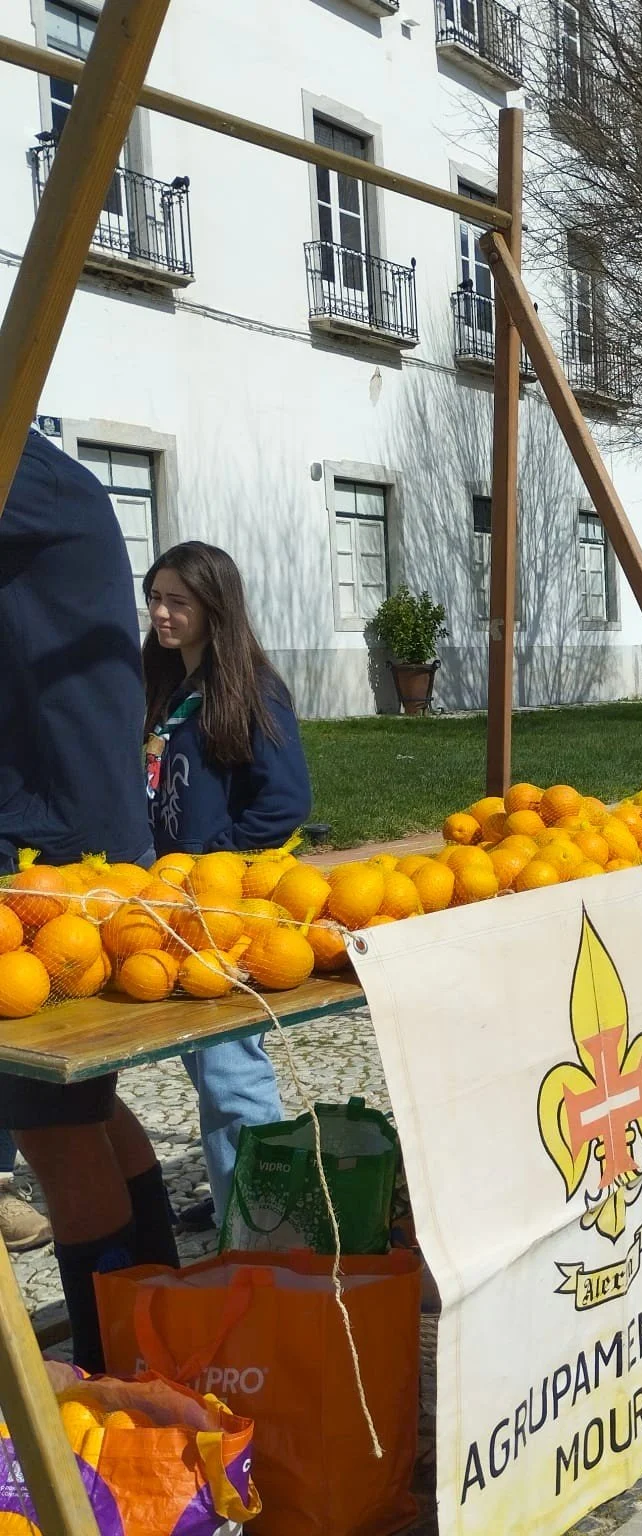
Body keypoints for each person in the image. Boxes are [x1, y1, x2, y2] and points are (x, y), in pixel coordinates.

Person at [0, 429, 180, 1370]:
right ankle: (159, 1332)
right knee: (91, 1113)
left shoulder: (18, 471)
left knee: (53, 1129)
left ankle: (123, 1379)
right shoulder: (46, 474)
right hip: (77, 835)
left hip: (53, 851)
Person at [144, 542, 312, 1228]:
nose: (160, 612)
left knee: (229, 1066)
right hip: (172, 902)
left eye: (177, 601)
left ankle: (267, 1221)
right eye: (155, 597)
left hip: (223, 904)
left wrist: (217, 860)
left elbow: (285, 802)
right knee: (203, 1064)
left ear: (216, 609)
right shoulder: (167, 687)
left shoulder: (249, 689)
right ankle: (235, 1195)